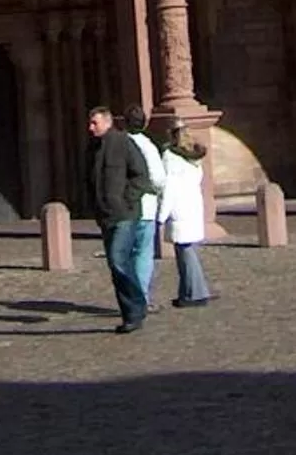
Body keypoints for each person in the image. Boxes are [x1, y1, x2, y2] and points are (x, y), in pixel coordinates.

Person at [85, 103, 152, 333]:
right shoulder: (93, 148)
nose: (90, 127)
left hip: (125, 214)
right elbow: (90, 180)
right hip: (105, 216)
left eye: (95, 122)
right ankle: (130, 314)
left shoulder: (123, 143)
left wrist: (126, 200)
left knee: (118, 260)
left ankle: (137, 306)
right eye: (90, 122)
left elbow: (141, 175)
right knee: (116, 268)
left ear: (107, 121)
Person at [158, 130, 214, 307]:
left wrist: (161, 215)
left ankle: (196, 292)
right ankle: (186, 292)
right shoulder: (194, 159)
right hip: (192, 206)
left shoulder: (170, 158)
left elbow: (169, 188)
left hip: (179, 208)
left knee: (186, 253)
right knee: (186, 252)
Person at [122, 106, 166, 317]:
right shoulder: (147, 146)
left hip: (123, 207)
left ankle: (130, 299)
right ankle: (141, 298)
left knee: (126, 255)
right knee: (142, 254)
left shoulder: (118, 144)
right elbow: (159, 180)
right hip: (145, 207)